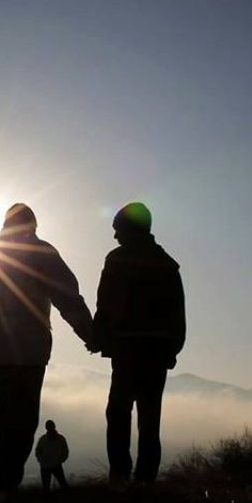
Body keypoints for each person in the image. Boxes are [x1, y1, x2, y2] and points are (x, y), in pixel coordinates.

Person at [0, 203, 94, 493]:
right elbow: (68, 298)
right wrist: (91, 335)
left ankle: (3, 484)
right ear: (32, 225)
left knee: (5, 415)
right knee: (25, 419)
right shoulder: (43, 253)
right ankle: (7, 484)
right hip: (31, 351)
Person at [92, 202, 185, 484]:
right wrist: (172, 349)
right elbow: (177, 314)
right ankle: (145, 479)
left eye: (117, 230)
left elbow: (104, 304)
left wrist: (98, 337)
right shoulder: (167, 265)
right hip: (157, 352)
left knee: (119, 412)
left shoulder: (117, 260)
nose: (115, 236)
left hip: (126, 348)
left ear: (129, 229)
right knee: (149, 418)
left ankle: (120, 475)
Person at [35, 419, 70, 492]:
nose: (49, 428)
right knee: (46, 487)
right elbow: (38, 451)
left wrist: (61, 460)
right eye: (48, 426)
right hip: (46, 466)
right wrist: (41, 460)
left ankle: (66, 498)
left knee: (62, 484)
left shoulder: (60, 438)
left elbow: (65, 451)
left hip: (55, 465)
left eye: (50, 426)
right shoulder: (43, 439)